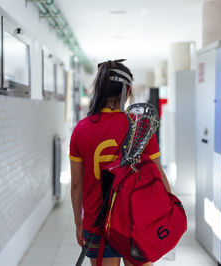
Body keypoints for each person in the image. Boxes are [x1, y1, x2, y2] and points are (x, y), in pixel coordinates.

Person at [69, 59, 171, 266]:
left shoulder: (81, 129)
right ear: (128, 90)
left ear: (98, 89)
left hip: (97, 222)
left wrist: (78, 223)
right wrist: (168, 212)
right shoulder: (139, 127)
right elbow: (158, 174)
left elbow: (76, 184)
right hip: (137, 221)